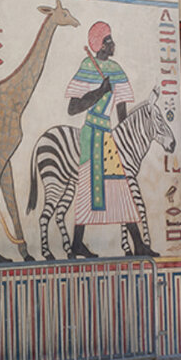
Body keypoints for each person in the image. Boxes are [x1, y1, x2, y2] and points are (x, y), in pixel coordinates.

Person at [64, 21, 131, 258]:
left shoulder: (116, 69)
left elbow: (122, 111)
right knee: (88, 188)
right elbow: (73, 108)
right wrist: (99, 92)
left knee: (119, 185)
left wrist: (125, 139)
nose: (113, 45)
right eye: (109, 40)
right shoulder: (87, 66)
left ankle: (139, 243)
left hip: (109, 135)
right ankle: (77, 245)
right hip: (92, 133)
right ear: (101, 45)